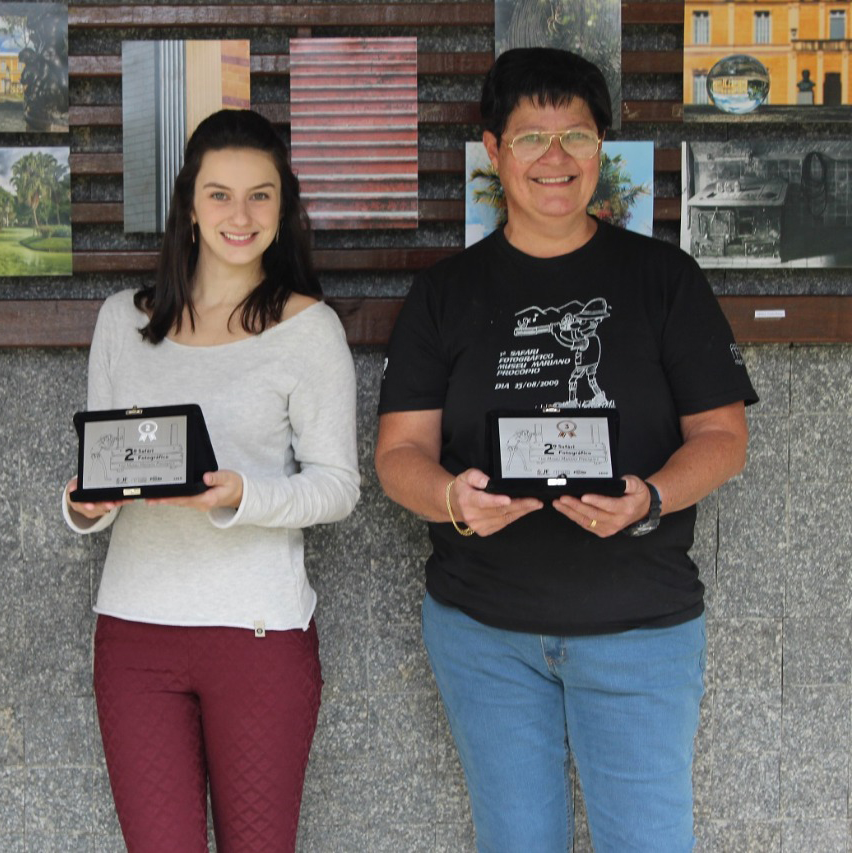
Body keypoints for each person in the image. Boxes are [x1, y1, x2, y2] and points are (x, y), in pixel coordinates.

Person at [375, 48, 757, 852]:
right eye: (530, 138)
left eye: (577, 137)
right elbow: (399, 452)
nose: (555, 160)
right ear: (491, 150)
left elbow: (723, 437)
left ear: (602, 150)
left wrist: (650, 496)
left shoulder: (664, 279)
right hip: (484, 632)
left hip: (640, 627)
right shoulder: (445, 293)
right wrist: (452, 499)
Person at [62, 108, 360, 852]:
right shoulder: (122, 323)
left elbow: (338, 485)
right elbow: (106, 466)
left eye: (260, 195)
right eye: (220, 194)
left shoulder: (308, 328)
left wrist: (244, 496)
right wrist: (84, 505)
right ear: (189, 205)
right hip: (135, 633)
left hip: (258, 634)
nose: (241, 214)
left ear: (284, 206)